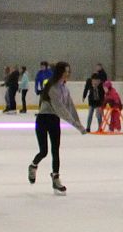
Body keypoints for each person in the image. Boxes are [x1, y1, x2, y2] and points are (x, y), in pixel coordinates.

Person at [29, 61, 87, 194]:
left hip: (54, 120)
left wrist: (79, 124)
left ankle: (55, 178)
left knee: (55, 150)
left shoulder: (65, 89)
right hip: (43, 119)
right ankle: (33, 166)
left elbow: (70, 107)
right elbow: (61, 109)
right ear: (60, 72)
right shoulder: (52, 88)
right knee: (44, 151)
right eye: (66, 71)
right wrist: (76, 125)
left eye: (69, 71)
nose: (68, 74)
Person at [83, 64, 109, 131]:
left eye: (97, 81)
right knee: (90, 115)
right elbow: (86, 89)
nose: (95, 83)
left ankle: (100, 128)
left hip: (99, 102)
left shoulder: (101, 85)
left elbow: (104, 94)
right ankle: (88, 128)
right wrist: (84, 96)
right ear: (91, 80)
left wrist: (103, 104)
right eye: (94, 81)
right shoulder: (89, 82)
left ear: (99, 81)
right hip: (91, 101)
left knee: (98, 115)